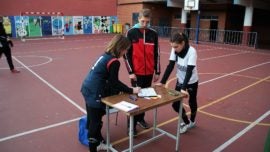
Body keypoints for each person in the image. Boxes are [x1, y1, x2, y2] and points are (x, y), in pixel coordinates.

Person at [81, 34, 140, 152]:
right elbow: (115, 82)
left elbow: (107, 79)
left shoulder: (105, 55)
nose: (126, 52)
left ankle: (99, 142)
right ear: (121, 48)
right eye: (126, 49)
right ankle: (94, 147)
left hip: (87, 88)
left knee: (93, 119)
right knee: (95, 123)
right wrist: (132, 90)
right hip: (95, 92)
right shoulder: (114, 62)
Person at [124, 8, 160, 134]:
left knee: (145, 97)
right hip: (136, 73)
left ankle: (140, 119)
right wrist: (130, 72)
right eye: (143, 21)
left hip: (149, 73)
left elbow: (157, 53)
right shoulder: (131, 33)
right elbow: (126, 54)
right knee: (135, 98)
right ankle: (131, 125)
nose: (145, 24)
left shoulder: (153, 33)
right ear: (138, 19)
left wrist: (158, 71)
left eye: (147, 22)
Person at [157, 32, 199, 134]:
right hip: (180, 81)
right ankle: (186, 121)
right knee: (175, 104)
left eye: (176, 46)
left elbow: (189, 71)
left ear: (183, 43)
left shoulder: (191, 51)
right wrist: (162, 82)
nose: (174, 49)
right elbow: (170, 65)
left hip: (191, 81)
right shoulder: (174, 49)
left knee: (192, 102)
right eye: (172, 47)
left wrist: (183, 89)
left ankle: (192, 121)